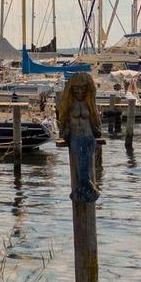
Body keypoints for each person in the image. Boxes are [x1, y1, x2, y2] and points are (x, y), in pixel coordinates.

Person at [57, 71, 103, 203]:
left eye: (83, 88)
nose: (80, 91)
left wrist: (96, 130)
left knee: (88, 157)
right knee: (79, 155)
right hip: (75, 137)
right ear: (71, 89)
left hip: (88, 136)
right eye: (76, 88)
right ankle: (84, 184)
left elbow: (93, 121)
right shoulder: (69, 105)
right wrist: (65, 132)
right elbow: (65, 121)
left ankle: (86, 184)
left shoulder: (89, 104)